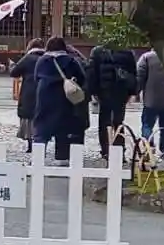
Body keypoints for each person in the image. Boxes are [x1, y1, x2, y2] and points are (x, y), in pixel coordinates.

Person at [32, 36, 90, 164]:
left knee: (41, 126)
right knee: (63, 126)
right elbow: (82, 78)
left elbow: (36, 78)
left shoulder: (42, 60)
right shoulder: (71, 61)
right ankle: (62, 157)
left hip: (45, 96)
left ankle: (38, 156)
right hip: (64, 97)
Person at [87, 40, 139, 160]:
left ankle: (106, 150)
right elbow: (133, 73)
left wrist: (93, 92)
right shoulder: (127, 53)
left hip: (104, 90)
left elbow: (92, 73)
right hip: (121, 91)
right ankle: (119, 150)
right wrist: (132, 92)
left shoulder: (97, 51)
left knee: (104, 121)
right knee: (118, 121)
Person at [135, 46, 164, 164]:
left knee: (147, 125)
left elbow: (139, 77)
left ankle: (148, 150)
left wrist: (135, 92)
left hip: (151, 99)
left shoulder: (146, 57)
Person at [8, 38, 44, 150]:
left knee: (29, 118)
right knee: (41, 117)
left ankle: (30, 144)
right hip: (43, 90)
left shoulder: (27, 58)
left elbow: (14, 72)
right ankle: (41, 142)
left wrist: (12, 65)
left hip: (29, 91)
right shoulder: (46, 58)